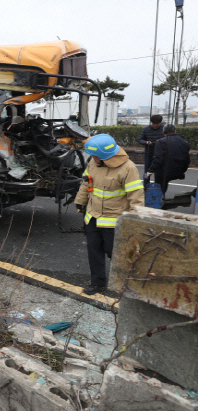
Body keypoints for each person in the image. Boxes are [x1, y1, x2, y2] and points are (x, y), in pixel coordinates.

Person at [75, 134, 144, 295]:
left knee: (115, 254)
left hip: (114, 221)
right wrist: (80, 201)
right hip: (92, 217)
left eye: (94, 155)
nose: (92, 158)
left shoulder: (128, 168)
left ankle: (124, 283)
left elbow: (136, 197)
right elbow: (86, 183)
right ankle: (97, 282)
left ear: (103, 155)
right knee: (94, 251)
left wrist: (135, 221)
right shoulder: (93, 164)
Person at [146, 124, 190, 194]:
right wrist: (182, 172)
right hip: (179, 172)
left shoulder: (161, 142)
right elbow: (187, 160)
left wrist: (150, 171)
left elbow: (158, 159)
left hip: (164, 173)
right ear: (175, 131)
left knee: (160, 181)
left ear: (163, 132)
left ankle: (160, 196)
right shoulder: (184, 142)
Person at [138, 114, 164, 186]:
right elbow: (140, 139)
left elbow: (168, 139)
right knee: (147, 172)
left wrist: (161, 142)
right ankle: (145, 187)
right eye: (153, 123)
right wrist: (146, 142)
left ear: (160, 123)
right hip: (149, 154)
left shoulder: (164, 129)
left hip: (160, 155)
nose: (155, 125)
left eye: (157, 124)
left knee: (159, 173)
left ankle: (159, 188)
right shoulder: (146, 129)